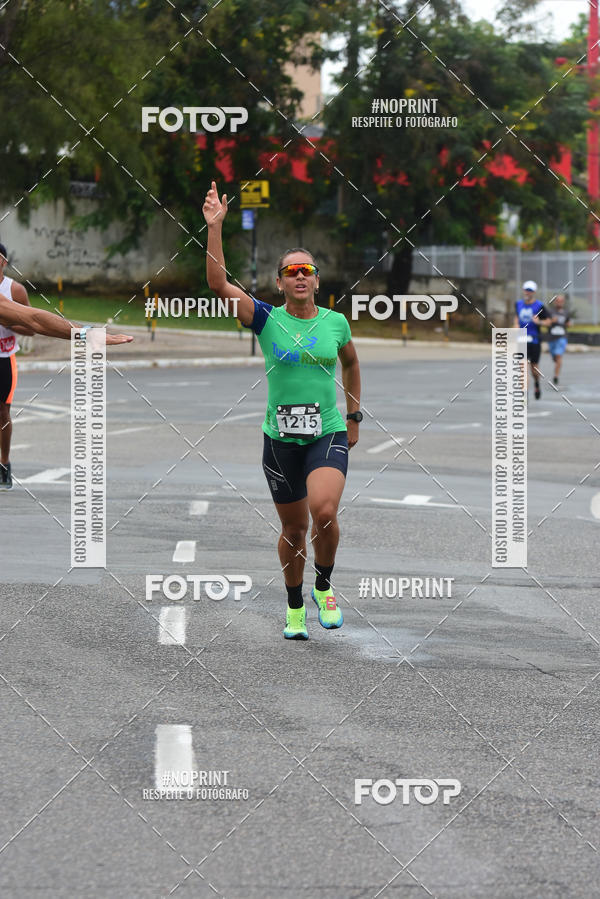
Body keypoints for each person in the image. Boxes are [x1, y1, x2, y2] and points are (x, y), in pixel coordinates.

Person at [203, 181, 362, 640]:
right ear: (279, 282)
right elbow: (217, 283)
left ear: (316, 279)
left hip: (326, 432)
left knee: (325, 511)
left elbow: (351, 364)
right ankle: (294, 606)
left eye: (306, 270)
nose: (298, 276)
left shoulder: (335, 322)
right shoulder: (266, 319)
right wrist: (215, 227)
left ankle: (324, 587)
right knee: (294, 529)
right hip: (279, 439)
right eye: (290, 271)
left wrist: (353, 416)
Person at [0, 241, 132, 489]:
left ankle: (4, 462)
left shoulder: (12, 290)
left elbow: (35, 320)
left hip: (4, 358)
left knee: (3, 413)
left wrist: (86, 334)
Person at [514, 280, 550, 400]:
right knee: (522, 367)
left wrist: (538, 321)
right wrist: (515, 325)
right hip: (521, 339)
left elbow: (548, 321)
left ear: (534, 292)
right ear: (523, 290)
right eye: (526, 290)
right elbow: (516, 317)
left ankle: (536, 384)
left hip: (534, 340)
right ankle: (524, 395)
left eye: (530, 290)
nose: (528, 292)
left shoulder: (539, 306)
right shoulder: (518, 304)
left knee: (534, 369)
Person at [546, 293, 570, 386]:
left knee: (559, 355)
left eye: (561, 301)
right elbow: (546, 323)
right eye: (557, 301)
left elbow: (568, 322)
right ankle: (556, 362)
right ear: (555, 302)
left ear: (563, 302)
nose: (559, 303)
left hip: (562, 337)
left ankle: (556, 376)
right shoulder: (550, 312)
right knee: (554, 357)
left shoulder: (566, 312)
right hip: (551, 338)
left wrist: (568, 324)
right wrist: (552, 321)